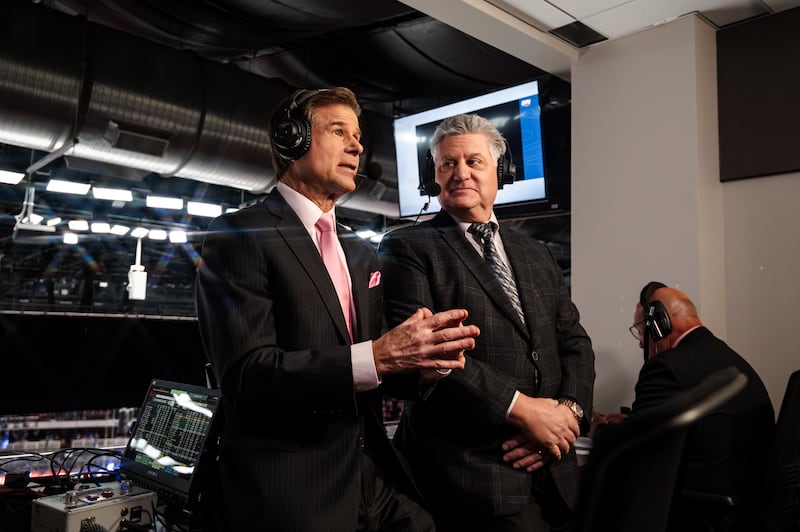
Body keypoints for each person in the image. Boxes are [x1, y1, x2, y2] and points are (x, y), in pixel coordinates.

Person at [195, 87, 481, 532]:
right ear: (292, 141)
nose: (357, 146)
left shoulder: (359, 250)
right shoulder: (239, 233)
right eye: (338, 131)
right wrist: (381, 355)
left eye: (358, 135)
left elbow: (377, 370)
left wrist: (424, 363)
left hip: (369, 478)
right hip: (291, 493)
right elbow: (247, 377)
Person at [378, 113, 595, 531]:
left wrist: (566, 415)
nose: (460, 173)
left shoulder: (536, 253)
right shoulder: (407, 248)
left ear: (502, 171)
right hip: (470, 477)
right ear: (433, 176)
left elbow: (575, 342)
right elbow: (428, 359)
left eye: (474, 162)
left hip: (556, 469)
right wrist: (524, 411)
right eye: (447, 164)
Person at [592, 284, 775, 532]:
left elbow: (635, 456)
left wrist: (597, 429)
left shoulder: (665, 367)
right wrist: (634, 421)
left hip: (694, 514)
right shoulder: (727, 358)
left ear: (659, 324)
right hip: (747, 509)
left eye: (640, 331)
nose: (640, 344)